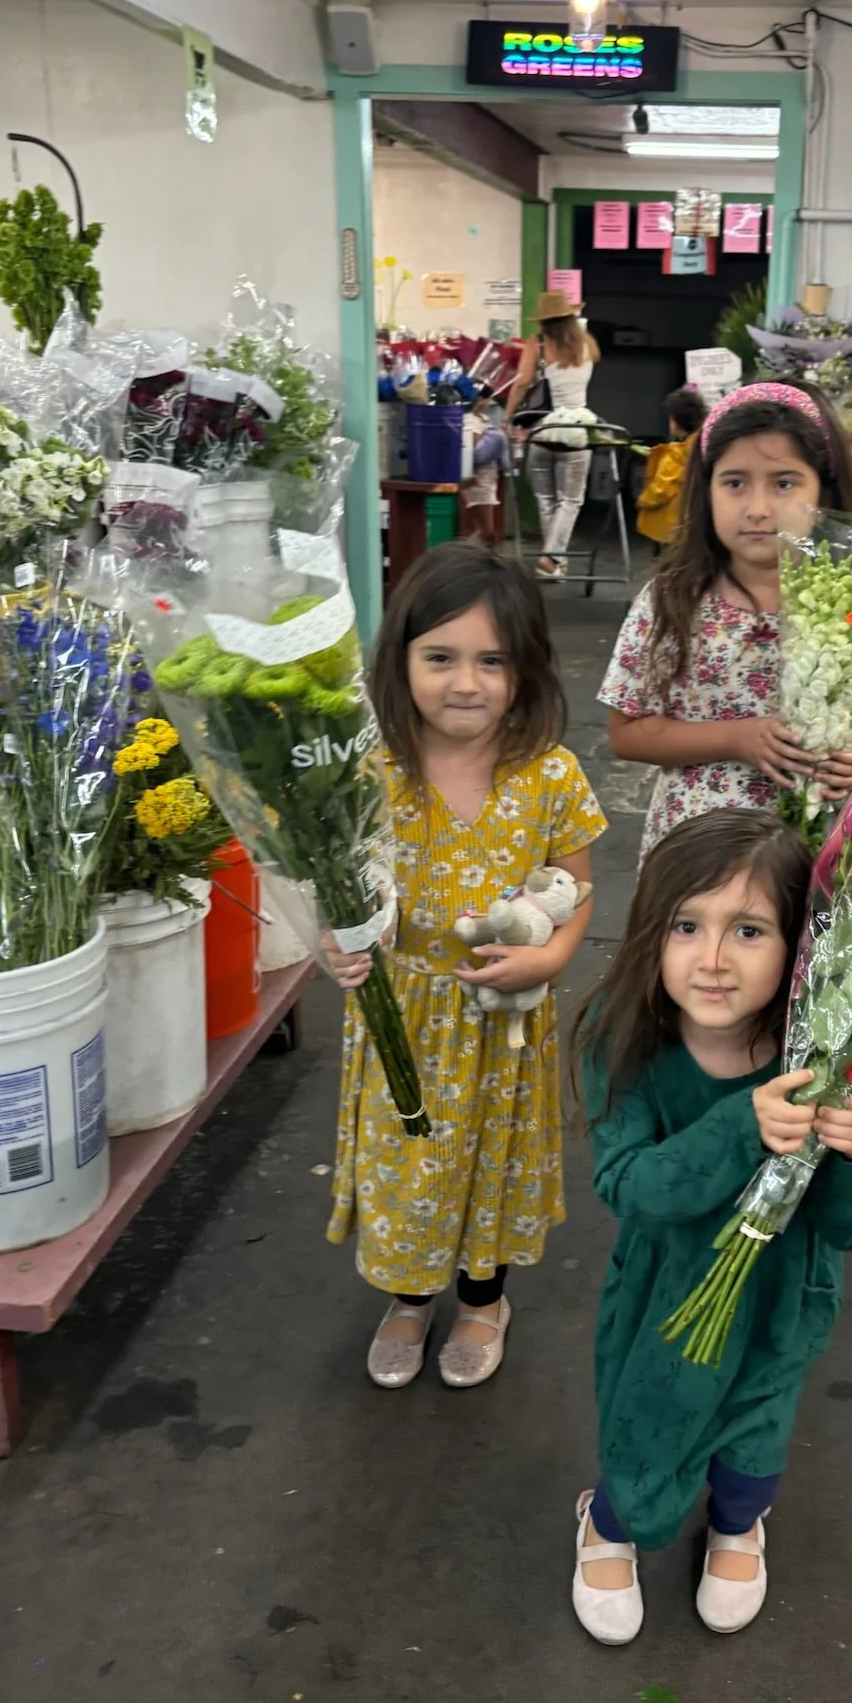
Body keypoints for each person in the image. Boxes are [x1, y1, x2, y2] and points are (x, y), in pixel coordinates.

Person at [569, 809, 852, 1643]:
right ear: (649, 935)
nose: (711, 959)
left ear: (800, 950)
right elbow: (631, 1187)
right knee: (649, 1424)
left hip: (783, 1299)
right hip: (664, 1297)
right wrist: (741, 1126)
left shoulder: (822, 1055)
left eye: (747, 929)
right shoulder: (626, 1046)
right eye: (685, 925)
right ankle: (610, 1521)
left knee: (756, 1431)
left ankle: (739, 1522)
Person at [326, 543, 607, 1390]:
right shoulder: (369, 771)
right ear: (399, 659)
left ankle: (484, 1300)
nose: (466, 682)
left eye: (493, 661)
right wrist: (332, 947)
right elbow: (330, 884)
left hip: (504, 1025)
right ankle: (410, 1298)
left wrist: (549, 957)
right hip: (400, 1018)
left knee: (497, 1161)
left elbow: (579, 891)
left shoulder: (550, 774)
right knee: (406, 1163)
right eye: (440, 657)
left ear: (525, 671)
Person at [599, 379, 852, 859]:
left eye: (785, 483)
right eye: (734, 483)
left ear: (823, 489)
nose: (759, 509)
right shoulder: (671, 599)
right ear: (705, 490)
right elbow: (626, 731)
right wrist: (737, 737)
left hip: (814, 849)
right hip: (698, 850)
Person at [507, 290, 602, 583]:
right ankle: (552, 559)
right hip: (578, 428)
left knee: (545, 496)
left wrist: (509, 416)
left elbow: (522, 382)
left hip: (544, 429)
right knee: (570, 499)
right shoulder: (587, 343)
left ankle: (553, 561)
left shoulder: (537, 345)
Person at [636, 386, 708, 548]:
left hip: (675, 525)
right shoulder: (708, 445)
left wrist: (643, 500)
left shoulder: (676, 455)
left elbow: (661, 489)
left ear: (675, 423)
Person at [461, 393, 510, 547]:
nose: (489, 401)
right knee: (486, 531)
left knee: (483, 530)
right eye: (486, 398)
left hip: (487, 478)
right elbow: (475, 452)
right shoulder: (470, 420)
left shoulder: (482, 419)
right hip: (480, 480)